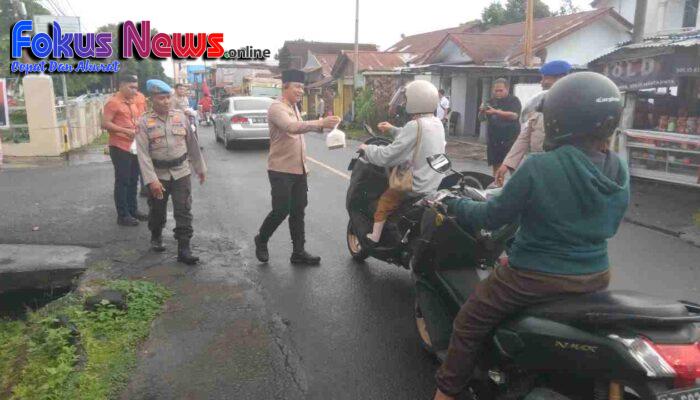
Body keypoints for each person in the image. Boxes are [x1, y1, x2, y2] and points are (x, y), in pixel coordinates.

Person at [432, 72, 630, 400]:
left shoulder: (540, 166)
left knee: (469, 321)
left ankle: (446, 392)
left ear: (560, 119)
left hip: (533, 276)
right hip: (595, 276)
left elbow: (491, 217)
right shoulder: (618, 167)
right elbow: (609, 222)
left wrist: (454, 204)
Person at [253, 70, 341, 265]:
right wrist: (319, 122)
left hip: (299, 169)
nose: (301, 90)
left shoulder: (294, 107)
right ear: (285, 87)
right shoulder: (277, 108)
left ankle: (298, 252)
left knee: (298, 210)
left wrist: (325, 126)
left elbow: (301, 128)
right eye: (297, 87)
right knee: (281, 210)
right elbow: (291, 127)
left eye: (302, 87)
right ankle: (262, 239)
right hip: (280, 170)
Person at [359, 80, 446, 244]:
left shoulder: (415, 125)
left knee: (385, 201)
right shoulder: (436, 123)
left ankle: (374, 238)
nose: (405, 103)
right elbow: (415, 139)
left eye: (406, 99)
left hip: (416, 183)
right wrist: (392, 129)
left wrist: (367, 149)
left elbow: (388, 156)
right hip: (434, 179)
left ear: (416, 100)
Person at [135, 79, 207, 265]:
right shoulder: (144, 122)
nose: (166, 101)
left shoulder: (181, 117)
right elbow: (142, 154)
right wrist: (151, 180)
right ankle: (156, 235)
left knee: (183, 210)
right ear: (152, 99)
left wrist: (200, 168)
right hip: (158, 174)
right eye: (161, 98)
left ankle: (184, 248)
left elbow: (192, 144)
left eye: (168, 97)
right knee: (158, 211)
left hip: (181, 171)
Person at [494, 60, 572, 186]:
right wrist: (506, 164)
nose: (541, 83)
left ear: (561, 78)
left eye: (546, 78)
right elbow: (525, 137)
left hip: (560, 170)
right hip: (538, 163)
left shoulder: (574, 105)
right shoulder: (541, 103)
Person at [101, 73, 148, 226]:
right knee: (123, 181)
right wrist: (125, 131)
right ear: (121, 85)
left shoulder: (133, 102)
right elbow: (105, 124)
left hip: (133, 146)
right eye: (131, 87)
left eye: (136, 88)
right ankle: (122, 215)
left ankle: (133, 210)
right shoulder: (113, 103)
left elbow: (137, 120)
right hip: (119, 146)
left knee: (134, 179)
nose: (135, 91)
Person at [479, 78, 522, 176]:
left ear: (507, 89)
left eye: (500, 90)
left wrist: (496, 111)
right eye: (496, 90)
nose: (498, 93)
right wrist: (481, 111)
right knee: (497, 169)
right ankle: (498, 188)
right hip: (494, 141)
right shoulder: (489, 102)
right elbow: (481, 119)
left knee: (513, 167)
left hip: (510, 140)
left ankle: (516, 189)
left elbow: (514, 115)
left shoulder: (513, 100)